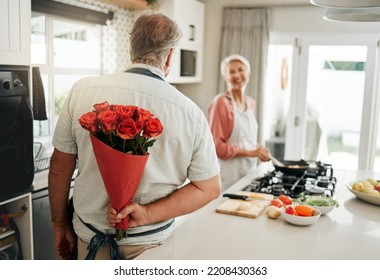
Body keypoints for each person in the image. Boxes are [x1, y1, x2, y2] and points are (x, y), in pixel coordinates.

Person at [48, 12, 221, 260]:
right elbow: (209, 188)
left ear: (132, 47)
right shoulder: (190, 112)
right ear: (170, 55)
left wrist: (58, 224)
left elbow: (59, 169)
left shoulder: (82, 91)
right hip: (152, 249)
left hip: (89, 242)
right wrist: (148, 214)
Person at [208, 54, 270, 190]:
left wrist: (259, 149)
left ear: (248, 73)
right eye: (231, 72)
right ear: (225, 77)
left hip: (249, 174)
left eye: (240, 70)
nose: (237, 75)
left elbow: (246, 139)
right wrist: (251, 153)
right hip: (228, 178)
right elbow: (217, 147)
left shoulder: (251, 103)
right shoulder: (221, 103)